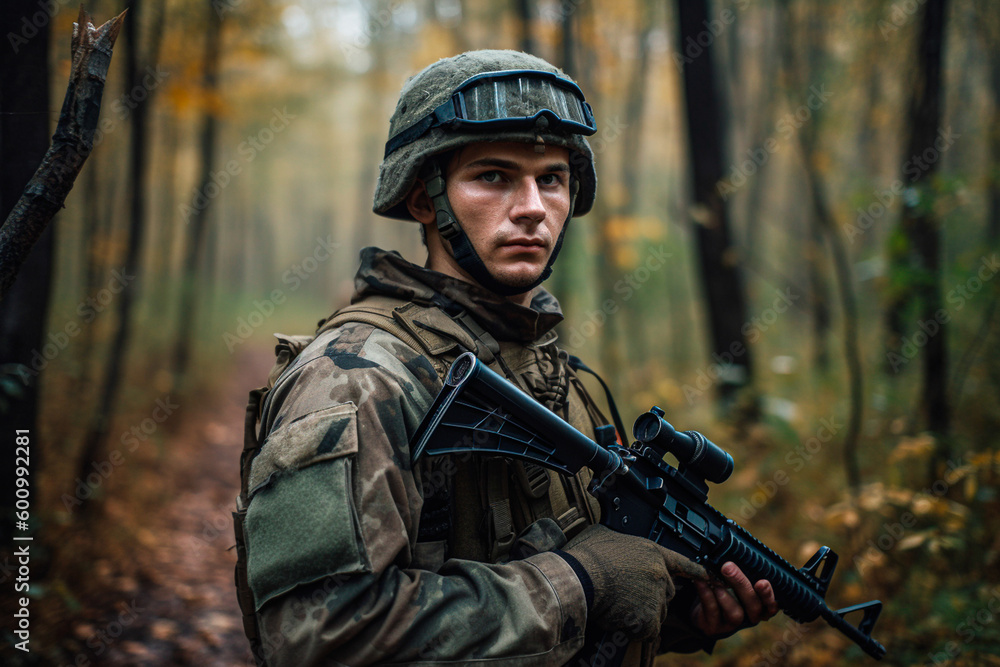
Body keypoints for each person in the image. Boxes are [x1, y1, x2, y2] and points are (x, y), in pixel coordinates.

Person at [233, 50, 777, 667]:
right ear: (423, 199)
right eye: (493, 176)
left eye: (552, 178)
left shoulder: (566, 379)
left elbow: (576, 604)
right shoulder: (356, 378)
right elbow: (317, 637)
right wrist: (583, 581)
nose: (532, 207)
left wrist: (670, 610)